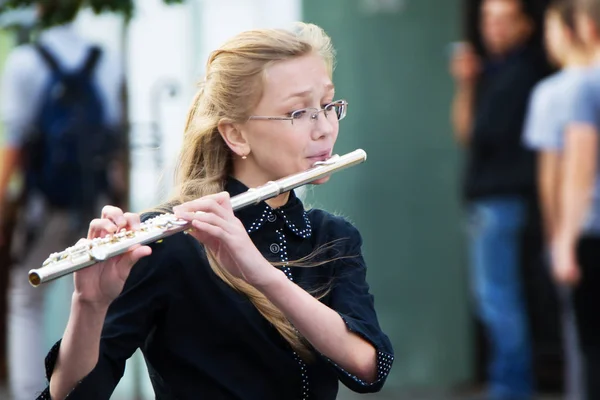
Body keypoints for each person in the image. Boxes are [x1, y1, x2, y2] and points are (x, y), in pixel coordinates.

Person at [35, 22, 394, 400]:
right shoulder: (169, 241)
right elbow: (73, 396)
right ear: (236, 135)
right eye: (298, 113)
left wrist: (261, 275)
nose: (324, 128)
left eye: (327, 106)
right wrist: (89, 306)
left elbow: (370, 368)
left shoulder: (332, 237)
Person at [0, 5, 124, 400]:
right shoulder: (106, 58)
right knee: (101, 297)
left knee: (25, 298)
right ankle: (88, 391)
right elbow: (114, 138)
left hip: (44, 204)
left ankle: (28, 394)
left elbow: (14, 147)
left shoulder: (24, 62)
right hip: (97, 202)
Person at [450, 0, 550, 398]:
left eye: (504, 20)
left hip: (502, 203)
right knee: (497, 299)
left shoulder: (520, 75)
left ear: (525, 25)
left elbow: (472, 132)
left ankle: (510, 390)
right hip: (494, 203)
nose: (494, 28)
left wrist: (466, 85)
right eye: (488, 19)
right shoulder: (496, 72)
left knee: (499, 300)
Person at [522, 1, 589, 398]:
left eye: (549, 30)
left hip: (579, 231)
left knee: (581, 340)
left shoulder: (554, 92)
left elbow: (554, 176)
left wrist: (557, 238)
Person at [553, 0, 600, 398]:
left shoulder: (587, 85)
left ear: (586, 27)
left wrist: (564, 241)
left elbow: (579, 171)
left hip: (594, 233)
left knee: (593, 347)